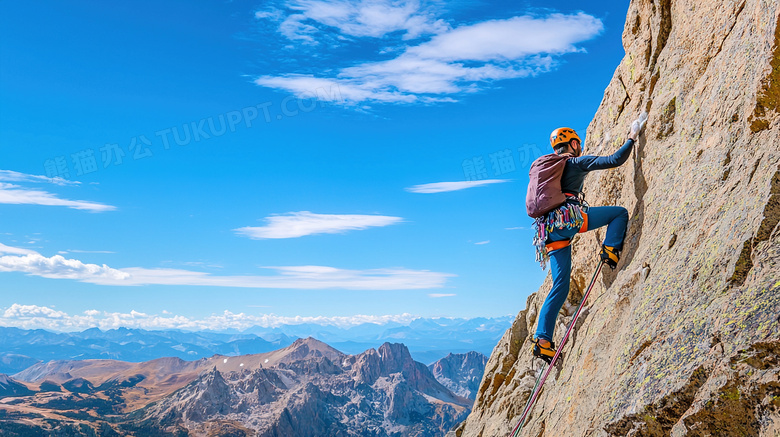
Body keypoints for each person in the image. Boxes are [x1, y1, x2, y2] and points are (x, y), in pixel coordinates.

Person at [531, 115, 646, 363]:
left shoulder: (550, 169)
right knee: (619, 213)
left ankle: (543, 340)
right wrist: (632, 137)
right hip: (568, 219)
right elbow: (616, 160)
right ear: (572, 144)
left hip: (548, 231)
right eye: (577, 143)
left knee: (559, 286)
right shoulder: (576, 162)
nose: (579, 146)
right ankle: (611, 250)